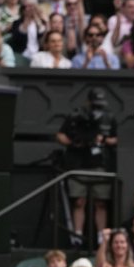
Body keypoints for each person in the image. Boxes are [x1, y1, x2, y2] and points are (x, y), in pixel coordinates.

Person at [56, 88, 117, 242]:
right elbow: (60, 135)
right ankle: (77, 235)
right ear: (88, 102)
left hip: (100, 163)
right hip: (78, 163)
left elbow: (116, 139)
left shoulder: (109, 118)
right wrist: (73, 143)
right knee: (79, 201)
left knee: (101, 202)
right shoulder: (76, 116)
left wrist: (102, 140)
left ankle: (101, 237)